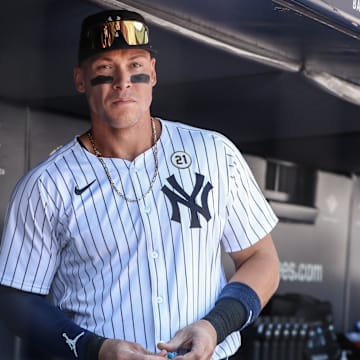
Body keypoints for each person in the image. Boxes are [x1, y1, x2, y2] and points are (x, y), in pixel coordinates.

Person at [0, 9, 280, 360]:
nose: (123, 82)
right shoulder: (46, 185)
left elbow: (261, 259)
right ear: (80, 79)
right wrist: (96, 348)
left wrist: (214, 326)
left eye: (135, 65)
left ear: (153, 72)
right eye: (105, 69)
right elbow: (16, 300)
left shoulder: (214, 152)